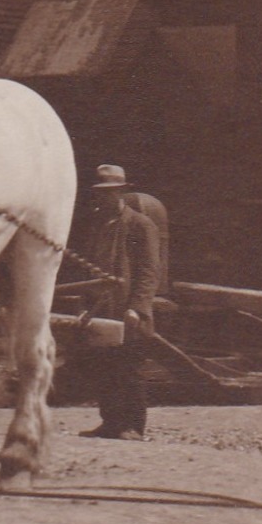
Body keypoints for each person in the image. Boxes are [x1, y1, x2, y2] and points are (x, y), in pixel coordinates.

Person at [78, 164, 163, 440]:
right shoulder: (97, 225)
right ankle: (111, 422)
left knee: (130, 368)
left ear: (122, 193)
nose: (105, 198)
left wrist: (138, 307)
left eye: (111, 193)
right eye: (101, 193)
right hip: (101, 307)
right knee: (104, 366)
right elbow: (87, 267)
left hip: (128, 309)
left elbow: (150, 270)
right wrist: (84, 304)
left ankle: (133, 426)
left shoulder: (140, 224)